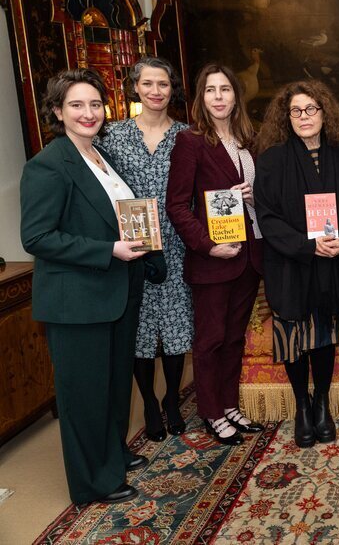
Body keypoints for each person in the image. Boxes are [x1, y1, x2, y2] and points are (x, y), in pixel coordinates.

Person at [20, 69, 166, 505]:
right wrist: (109, 250)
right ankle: (93, 482)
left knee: (114, 385)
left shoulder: (101, 156)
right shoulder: (48, 165)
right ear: (57, 111)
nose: (88, 113)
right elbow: (38, 237)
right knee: (84, 395)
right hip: (78, 301)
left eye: (95, 104)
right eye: (76, 105)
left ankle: (112, 455)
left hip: (117, 292)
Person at [255, 80, 339, 447]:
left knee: (325, 336)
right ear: (286, 117)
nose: (304, 117)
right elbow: (267, 218)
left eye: (311, 109)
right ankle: (302, 404)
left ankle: (322, 403)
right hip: (292, 264)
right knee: (295, 340)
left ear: (324, 112)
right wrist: (306, 246)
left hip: (333, 262)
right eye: (296, 111)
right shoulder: (271, 160)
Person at [167, 64, 264, 446]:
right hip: (212, 259)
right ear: (201, 97)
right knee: (210, 340)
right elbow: (177, 206)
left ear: (236, 95)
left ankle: (229, 405)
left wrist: (255, 196)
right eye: (211, 90)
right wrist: (208, 245)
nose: (219, 96)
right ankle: (211, 411)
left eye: (225, 89)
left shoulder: (249, 139)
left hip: (249, 255)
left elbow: (263, 194)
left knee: (235, 338)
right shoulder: (190, 141)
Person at [99, 56, 192, 442]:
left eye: (163, 84)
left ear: (172, 89)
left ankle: (172, 399)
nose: (156, 91)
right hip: (132, 246)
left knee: (175, 327)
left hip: (177, 243)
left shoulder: (188, 135)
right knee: (139, 331)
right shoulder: (111, 135)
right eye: (148, 83)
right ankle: (150, 404)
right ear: (135, 87)